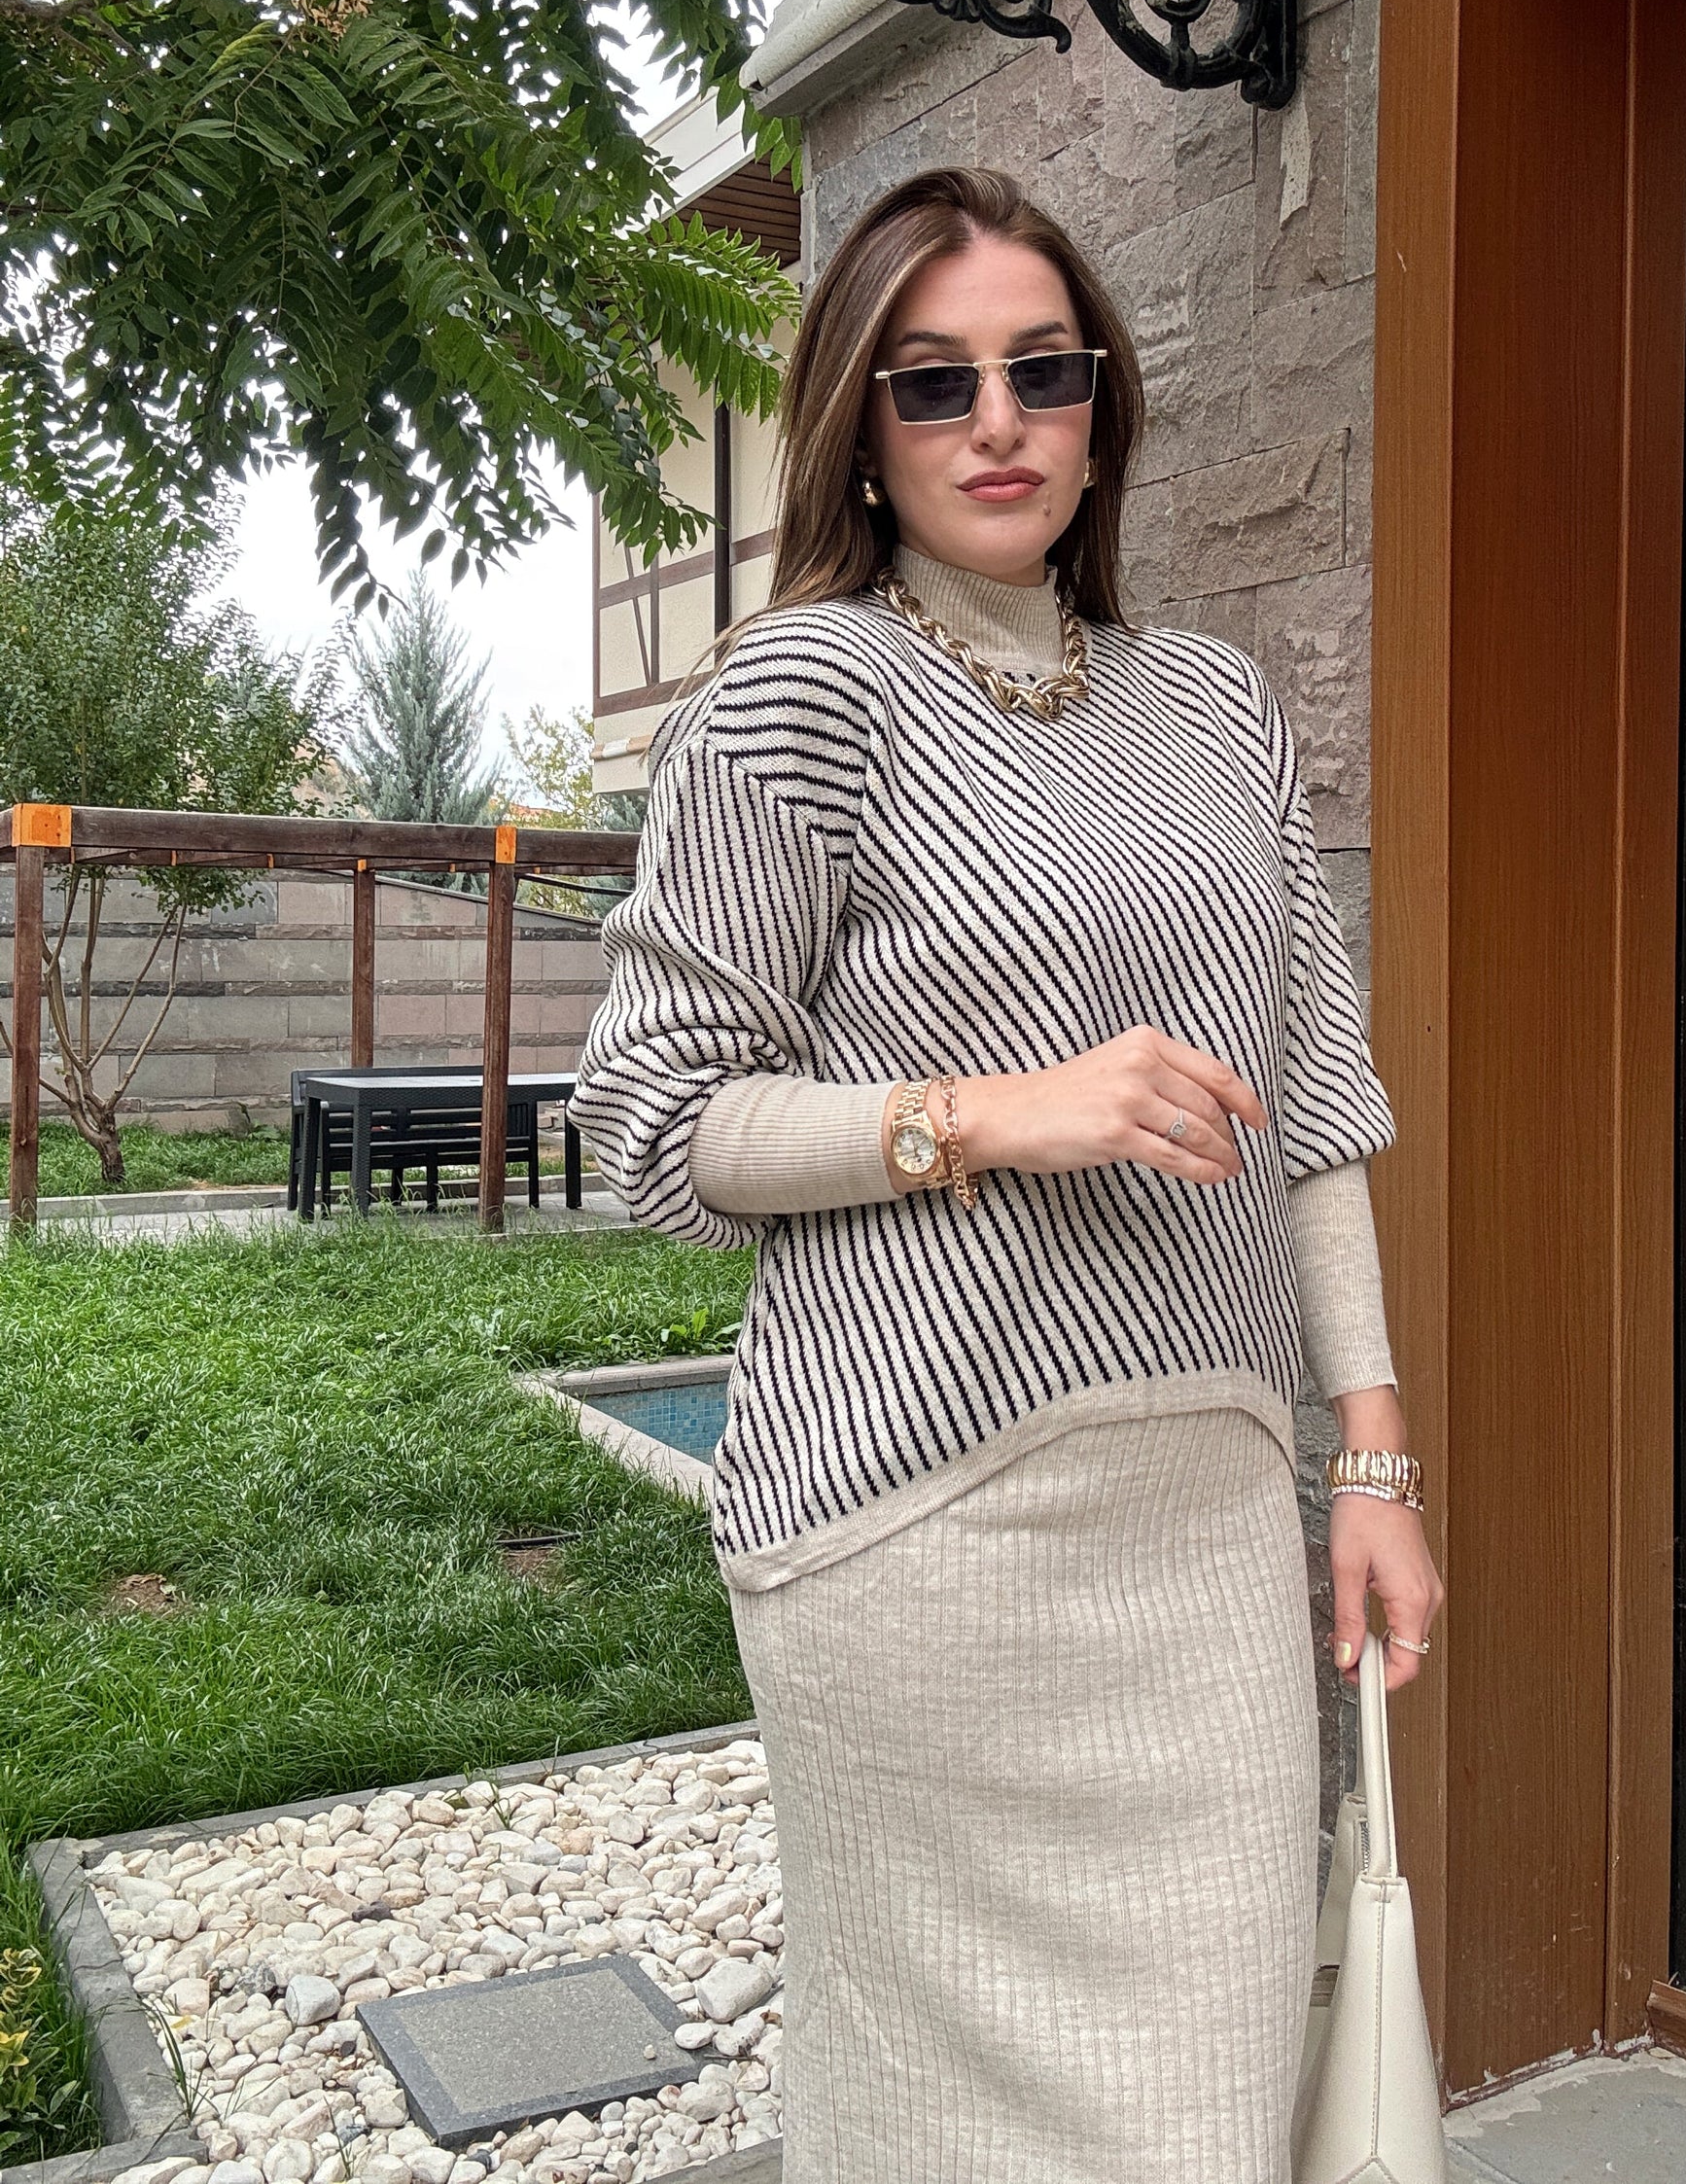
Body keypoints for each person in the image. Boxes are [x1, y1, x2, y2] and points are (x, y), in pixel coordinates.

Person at [569, 165, 1445, 2184]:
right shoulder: (800, 696)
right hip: (916, 1530)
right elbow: (655, 1122)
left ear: (1101, 407)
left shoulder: (1213, 705)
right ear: (860, 426)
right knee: (940, 2125)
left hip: (1208, 1510)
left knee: (1208, 2102)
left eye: (1042, 371)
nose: (996, 422)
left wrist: (1374, 1462)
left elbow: (1315, 1099)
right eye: (932, 380)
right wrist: (983, 1112)